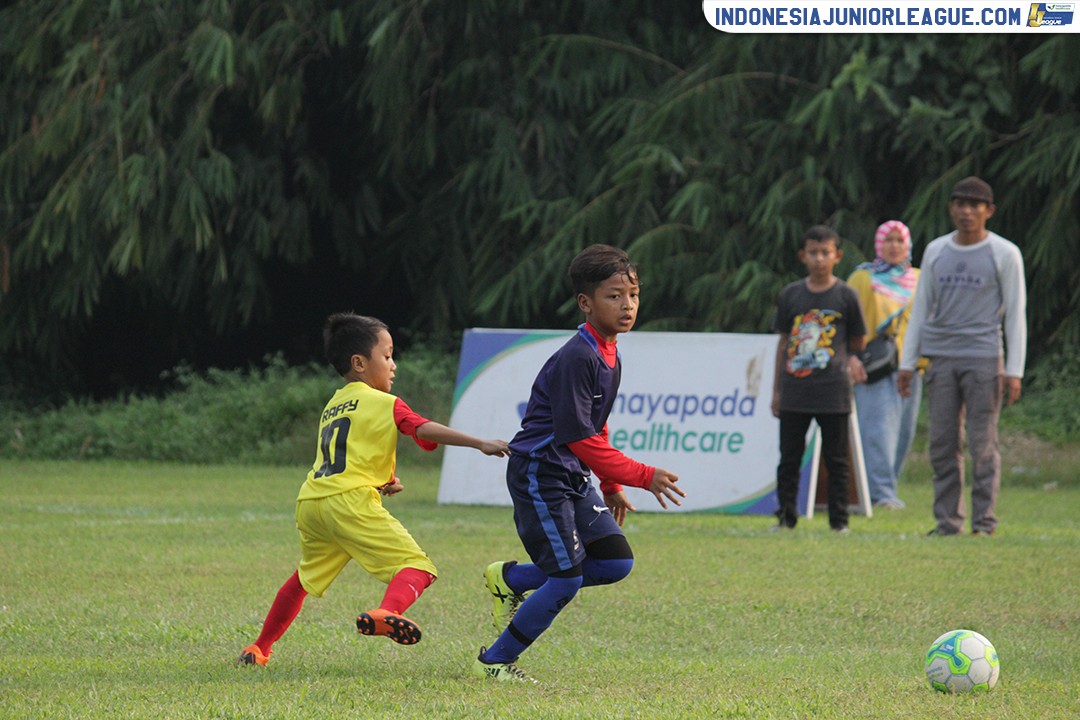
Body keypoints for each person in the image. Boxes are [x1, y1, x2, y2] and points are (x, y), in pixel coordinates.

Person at [237, 313, 510, 666]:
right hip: (348, 503)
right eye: (387, 355)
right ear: (359, 363)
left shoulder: (334, 403)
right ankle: (387, 611)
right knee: (418, 567)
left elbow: (350, 453)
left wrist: (383, 482)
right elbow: (422, 429)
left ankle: (259, 649)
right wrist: (480, 443)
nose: (393, 365)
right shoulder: (383, 402)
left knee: (302, 579)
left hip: (312, 501)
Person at [474, 244, 685, 683]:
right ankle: (496, 662)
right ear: (586, 303)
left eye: (633, 294)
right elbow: (577, 436)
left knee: (614, 562)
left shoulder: (611, 354)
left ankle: (511, 580)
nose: (627, 305)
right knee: (566, 580)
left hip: (571, 473)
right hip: (539, 472)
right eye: (614, 295)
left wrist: (610, 484)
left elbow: (596, 426)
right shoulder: (578, 355)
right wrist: (642, 475)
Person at [898, 176, 1027, 537]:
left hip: (984, 357)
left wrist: (1014, 370)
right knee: (942, 443)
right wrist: (908, 363)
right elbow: (921, 308)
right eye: (960, 204)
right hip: (942, 357)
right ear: (951, 208)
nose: (967, 211)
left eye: (975, 205)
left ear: (989, 210)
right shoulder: (938, 250)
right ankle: (947, 521)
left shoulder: (1004, 253)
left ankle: (984, 521)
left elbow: (1016, 313)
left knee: (982, 442)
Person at [771, 225, 867, 533]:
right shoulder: (791, 295)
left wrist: (851, 362)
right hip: (795, 390)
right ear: (803, 256)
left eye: (825, 252)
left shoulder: (846, 295)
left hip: (833, 391)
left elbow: (858, 341)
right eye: (813, 252)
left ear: (837, 256)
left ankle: (839, 522)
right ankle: (786, 518)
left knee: (837, 460)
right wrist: (776, 390)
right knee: (789, 459)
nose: (819, 259)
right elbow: (784, 343)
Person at [847, 220, 922, 510]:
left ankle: (885, 487)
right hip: (875, 365)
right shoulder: (864, 278)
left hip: (911, 365)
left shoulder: (919, 278)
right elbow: (850, 321)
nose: (894, 246)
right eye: (888, 240)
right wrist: (851, 356)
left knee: (904, 431)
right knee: (877, 430)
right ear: (879, 244)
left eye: (899, 240)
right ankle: (880, 493)